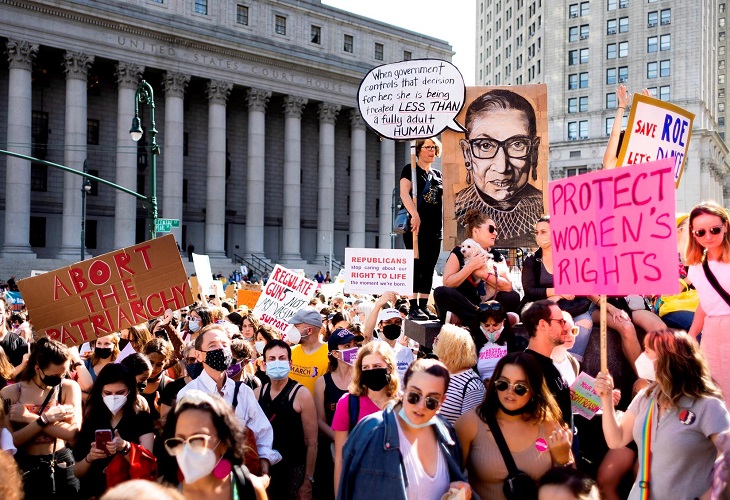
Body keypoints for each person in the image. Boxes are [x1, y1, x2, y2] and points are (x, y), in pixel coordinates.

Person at [595, 329, 730, 500]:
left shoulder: (707, 405)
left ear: (667, 359)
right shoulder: (645, 397)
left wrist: (709, 496)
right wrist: (606, 399)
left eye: (647, 351)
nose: (641, 357)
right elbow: (616, 439)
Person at [338, 359, 472, 500]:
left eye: (431, 401)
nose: (421, 406)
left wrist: (461, 490)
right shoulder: (372, 431)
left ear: (442, 402)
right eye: (414, 396)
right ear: (404, 390)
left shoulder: (446, 434)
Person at [454, 353, 573, 499]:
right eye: (502, 384)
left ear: (534, 389)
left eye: (520, 387)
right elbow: (451, 481)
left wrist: (564, 459)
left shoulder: (548, 424)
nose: (509, 392)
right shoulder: (469, 423)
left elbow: (570, 488)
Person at [177, 324, 280, 475]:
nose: (220, 349)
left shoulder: (243, 392)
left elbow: (262, 433)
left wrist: (263, 466)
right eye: (212, 345)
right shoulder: (188, 395)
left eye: (224, 345)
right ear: (199, 355)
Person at [455, 88, 543, 248]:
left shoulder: (544, 212)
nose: (502, 167)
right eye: (485, 145)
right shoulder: (455, 210)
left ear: (534, 152)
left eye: (517, 144)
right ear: (467, 154)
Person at [3, 337, 82, 497]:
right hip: (26, 466)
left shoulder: (68, 387)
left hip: (61, 462)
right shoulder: (10, 393)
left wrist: (29, 417)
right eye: (54, 375)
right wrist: (49, 419)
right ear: (37, 369)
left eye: (64, 373)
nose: (60, 379)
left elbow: (72, 433)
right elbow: (13, 441)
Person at [161, 390, 267, 500]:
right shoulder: (163, 496)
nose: (187, 450)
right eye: (179, 441)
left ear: (224, 443)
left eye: (197, 439)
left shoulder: (249, 489)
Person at [73, 363, 155, 499]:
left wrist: (125, 448)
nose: (114, 397)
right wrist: (90, 457)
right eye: (108, 393)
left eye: (120, 393)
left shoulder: (142, 419)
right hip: (94, 493)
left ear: (130, 390)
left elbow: (147, 463)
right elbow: (77, 471)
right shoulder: (92, 419)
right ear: (100, 392)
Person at [521, 215, 594, 361]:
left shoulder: (571, 257)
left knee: (585, 322)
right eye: (537, 232)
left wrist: (559, 296)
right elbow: (529, 290)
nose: (539, 236)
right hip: (543, 306)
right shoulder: (532, 260)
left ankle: (573, 365)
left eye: (543, 232)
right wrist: (558, 291)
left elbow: (580, 283)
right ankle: (549, 363)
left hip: (571, 305)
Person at [332, 341, 401, 497]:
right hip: (360, 488)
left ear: (389, 368)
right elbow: (340, 459)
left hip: (395, 487)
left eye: (377, 366)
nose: (371, 371)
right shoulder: (348, 403)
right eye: (366, 368)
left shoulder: (403, 405)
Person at [255, 339, 318, 500]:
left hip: (294, 471)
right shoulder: (256, 394)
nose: (277, 362)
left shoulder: (301, 394)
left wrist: (307, 481)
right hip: (265, 472)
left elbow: (312, 443)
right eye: (272, 359)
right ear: (264, 364)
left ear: (290, 364)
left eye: (282, 358)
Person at [434, 209, 521, 324]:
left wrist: (481, 274)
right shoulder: (460, 251)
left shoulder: (496, 255)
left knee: (513, 296)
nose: (495, 233)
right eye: (491, 229)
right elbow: (448, 283)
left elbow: (507, 286)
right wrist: (470, 267)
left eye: (496, 230)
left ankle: (471, 319)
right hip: (465, 303)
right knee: (441, 292)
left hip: (488, 304)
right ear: (476, 231)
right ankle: (486, 319)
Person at [685, 202, 730, 395]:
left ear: (726, 226)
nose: (708, 236)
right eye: (700, 232)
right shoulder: (696, 267)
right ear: (693, 233)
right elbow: (706, 303)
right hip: (711, 331)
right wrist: (692, 334)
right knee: (713, 388)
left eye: (714, 229)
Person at [399, 137, 444, 321]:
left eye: (434, 147)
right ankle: (413, 306)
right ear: (418, 150)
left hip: (435, 227)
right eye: (427, 147)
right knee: (416, 266)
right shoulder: (410, 170)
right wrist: (415, 215)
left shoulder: (437, 174)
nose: (431, 151)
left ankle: (424, 305)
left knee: (429, 267)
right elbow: (404, 193)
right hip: (416, 228)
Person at [313, 327, 358, 500]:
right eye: (347, 346)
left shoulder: (362, 380)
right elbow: (319, 420)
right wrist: (340, 440)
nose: (353, 349)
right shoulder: (322, 382)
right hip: (331, 453)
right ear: (335, 353)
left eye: (355, 344)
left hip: (358, 449)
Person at [521, 301, 573, 429]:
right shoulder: (526, 368)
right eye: (560, 321)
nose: (564, 327)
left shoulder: (550, 364)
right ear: (543, 324)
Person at [652, 214, 698, 331]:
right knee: (700, 324)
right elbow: (667, 293)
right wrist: (690, 278)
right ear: (678, 231)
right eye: (691, 227)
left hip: (693, 305)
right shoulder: (662, 257)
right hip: (669, 307)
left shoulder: (695, 257)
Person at [433, 324, 485, 424]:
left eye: (437, 340)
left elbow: (472, 428)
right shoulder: (440, 374)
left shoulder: (472, 386)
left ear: (449, 348)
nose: (434, 343)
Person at [362, 295, 415, 381]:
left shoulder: (406, 352)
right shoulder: (373, 346)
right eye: (388, 322)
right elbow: (366, 336)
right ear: (380, 326)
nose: (393, 325)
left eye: (397, 322)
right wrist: (378, 305)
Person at [473, 300, 526, 382]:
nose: (491, 330)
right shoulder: (473, 344)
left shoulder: (517, 342)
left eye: (495, 325)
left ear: (503, 322)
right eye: (486, 325)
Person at [288, 308, 329, 394]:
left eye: (296, 326)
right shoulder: (289, 352)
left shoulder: (330, 356)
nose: (292, 329)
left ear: (309, 330)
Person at [141, 338, 174, 422]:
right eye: (150, 362)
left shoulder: (169, 385)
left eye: (159, 365)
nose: (153, 368)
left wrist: (162, 412)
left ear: (166, 363)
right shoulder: (131, 380)